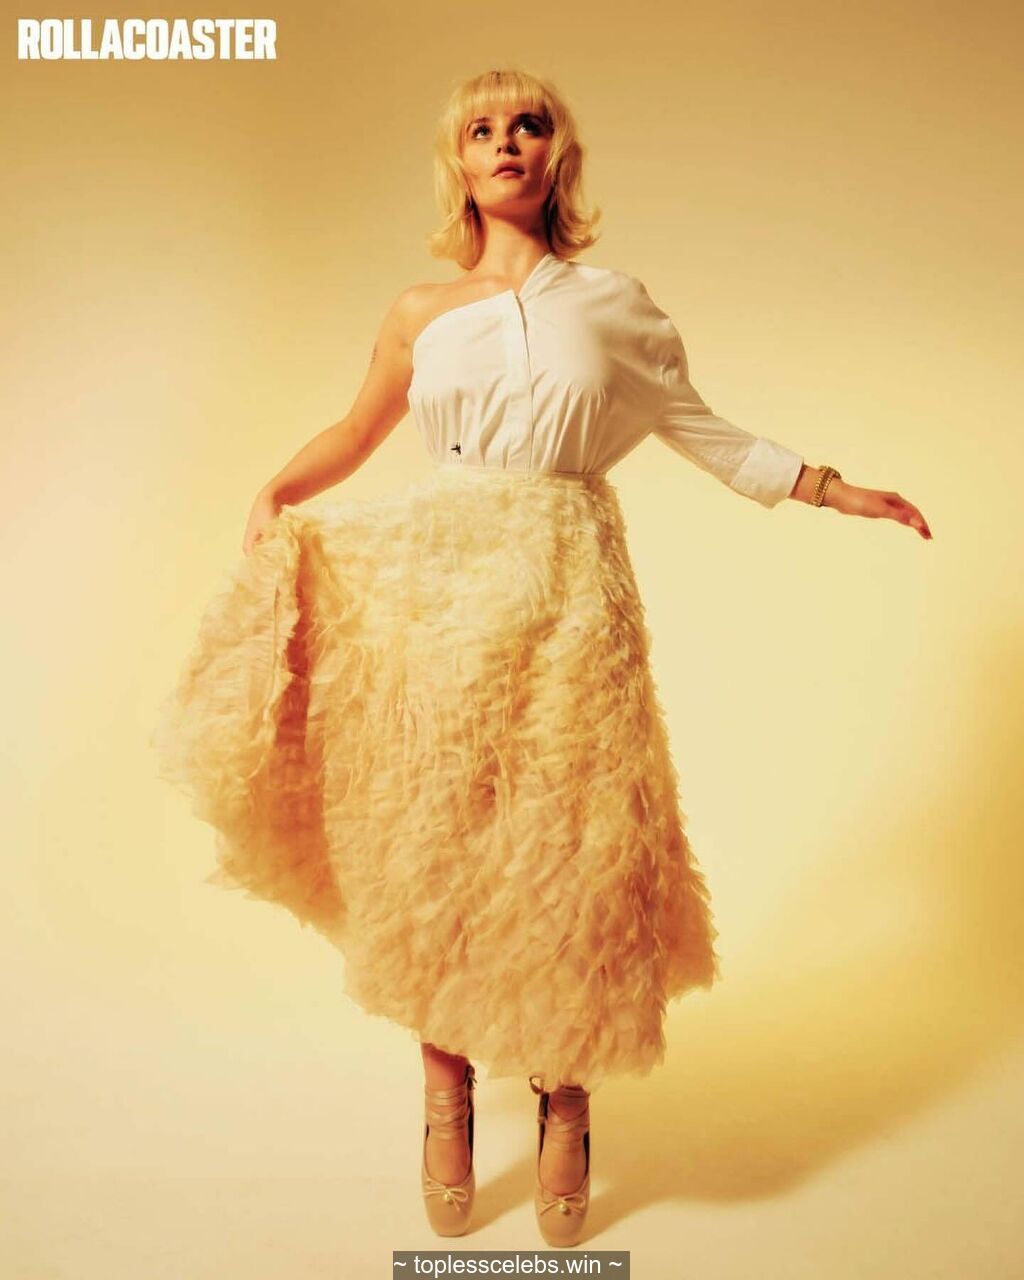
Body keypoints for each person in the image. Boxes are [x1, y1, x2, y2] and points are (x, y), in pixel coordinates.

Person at [152, 68, 932, 1248]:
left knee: (574, 850)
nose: (506, 142)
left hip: (571, 592)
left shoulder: (614, 305)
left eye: (528, 124)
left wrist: (833, 487)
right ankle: (444, 1094)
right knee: (436, 843)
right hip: (441, 593)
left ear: (556, 154)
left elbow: (702, 429)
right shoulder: (421, 309)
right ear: (459, 163)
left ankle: (567, 1097)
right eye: (482, 129)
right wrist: (274, 489)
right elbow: (359, 428)